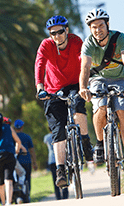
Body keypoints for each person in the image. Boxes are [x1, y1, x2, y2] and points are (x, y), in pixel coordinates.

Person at [35, 15, 94, 188]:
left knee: (78, 109)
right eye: (53, 33)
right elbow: (39, 65)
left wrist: (86, 83)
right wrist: (40, 88)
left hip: (75, 84)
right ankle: (61, 170)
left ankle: (85, 143)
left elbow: (84, 62)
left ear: (66, 30)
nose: (57, 36)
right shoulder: (46, 45)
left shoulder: (76, 41)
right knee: (58, 130)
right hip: (52, 90)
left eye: (60, 32)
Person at [78, 8, 124, 171]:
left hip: (120, 79)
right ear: (90, 29)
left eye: (101, 25)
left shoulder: (121, 38)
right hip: (98, 79)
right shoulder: (88, 43)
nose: (98, 30)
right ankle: (99, 144)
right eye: (94, 27)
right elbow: (85, 67)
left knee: (122, 111)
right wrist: (83, 88)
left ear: (107, 24)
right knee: (100, 106)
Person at [13, 119, 37, 202]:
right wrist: (34, 162)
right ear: (22, 127)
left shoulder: (12, 137)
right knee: (27, 179)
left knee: (16, 179)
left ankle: (18, 196)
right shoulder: (27, 137)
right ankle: (27, 195)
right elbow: (32, 150)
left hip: (16, 162)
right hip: (27, 161)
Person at [43, 129, 68, 200]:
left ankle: (58, 196)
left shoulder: (47, 137)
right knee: (63, 175)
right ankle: (65, 194)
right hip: (62, 158)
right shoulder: (61, 134)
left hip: (52, 159)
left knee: (55, 178)